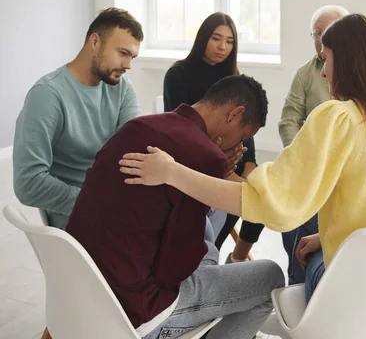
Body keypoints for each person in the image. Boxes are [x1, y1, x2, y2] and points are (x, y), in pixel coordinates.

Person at [119, 14, 366, 337]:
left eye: (326, 59)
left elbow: (271, 204)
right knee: (312, 243)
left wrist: (173, 172)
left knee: (284, 264)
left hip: (356, 300)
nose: (324, 72)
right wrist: (326, 237)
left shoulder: (339, 118)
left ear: (350, 61)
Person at [66, 75, 284, 339]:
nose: (239, 146)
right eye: (243, 137)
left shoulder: (136, 126)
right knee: (270, 277)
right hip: (139, 313)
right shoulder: (206, 156)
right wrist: (213, 165)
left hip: (82, 297)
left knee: (207, 243)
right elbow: (174, 270)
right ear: (234, 114)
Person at [13, 8, 143, 228]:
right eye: (122, 53)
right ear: (95, 42)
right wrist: (98, 201)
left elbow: (133, 151)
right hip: (82, 218)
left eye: (132, 57)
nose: (128, 65)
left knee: (194, 228)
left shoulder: (122, 88)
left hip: (117, 204)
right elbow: (29, 183)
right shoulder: (47, 94)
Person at [163, 12, 261, 262]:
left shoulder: (235, 77)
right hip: (199, 158)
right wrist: (222, 162)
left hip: (234, 157)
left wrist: (250, 163)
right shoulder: (178, 74)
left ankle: (236, 257)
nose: (222, 47)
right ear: (203, 38)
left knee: (261, 196)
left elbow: (245, 128)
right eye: (216, 39)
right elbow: (178, 126)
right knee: (240, 198)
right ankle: (208, 255)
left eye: (229, 41)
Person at [278, 4, 348, 283]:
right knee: (288, 204)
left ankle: (302, 279)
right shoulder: (305, 73)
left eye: (328, 32)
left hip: (340, 167)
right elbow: (288, 121)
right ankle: (297, 275)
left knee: (309, 210)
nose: (321, 39)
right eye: (317, 33)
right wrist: (301, 158)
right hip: (310, 160)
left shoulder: (358, 75)